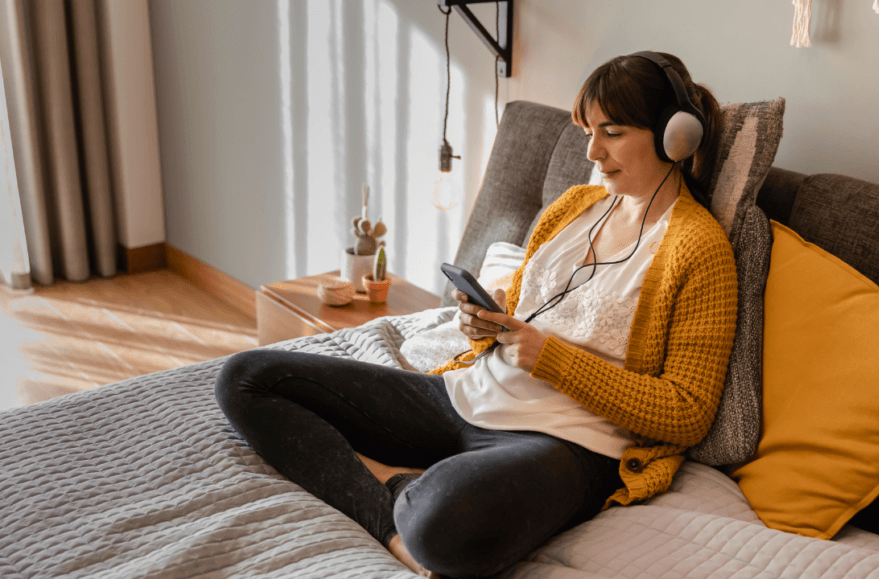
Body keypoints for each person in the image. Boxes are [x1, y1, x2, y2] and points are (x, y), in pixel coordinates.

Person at [215, 51, 737, 579]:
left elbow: (687, 411)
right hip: (466, 395)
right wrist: (487, 324)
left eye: (613, 132)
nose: (593, 152)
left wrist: (550, 358)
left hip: (566, 444)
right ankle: (394, 507)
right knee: (247, 377)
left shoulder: (698, 248)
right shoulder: (574, 206)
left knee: (443, 526)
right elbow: (528, 308)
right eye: (588, 131)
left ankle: (401, 496)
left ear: (676, 137)